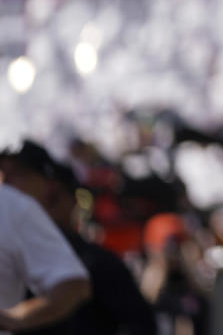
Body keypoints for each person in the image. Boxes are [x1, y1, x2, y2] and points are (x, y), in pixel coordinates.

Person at [0, 141, 157, 335]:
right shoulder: (12, 249)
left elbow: (140, 325)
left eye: (17, 174)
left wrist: (15, 317)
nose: (5, 184)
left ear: (53, 192)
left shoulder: (98, 262)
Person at [0, 156, 91, 333]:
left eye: (20, 173)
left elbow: (73, 284)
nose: (7, 177)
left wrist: (14, 318)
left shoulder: (11, 206)